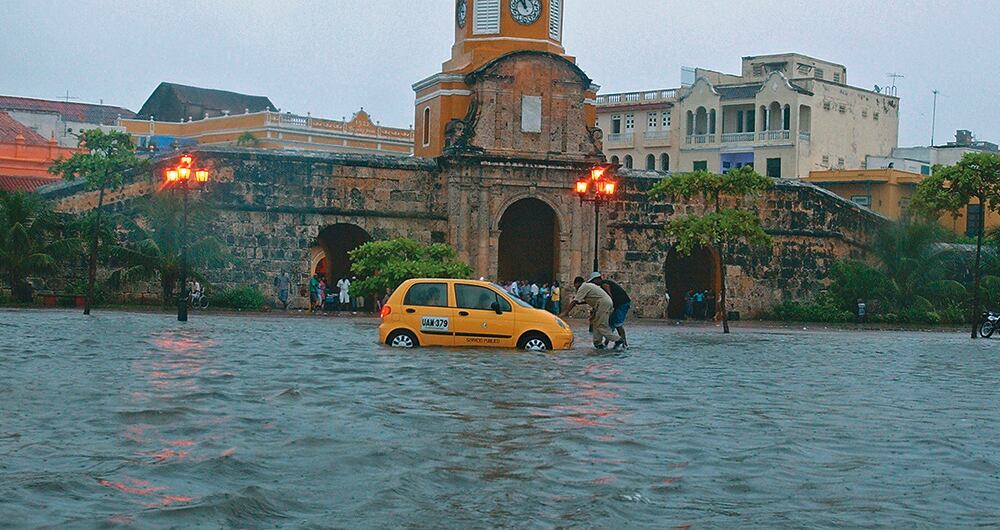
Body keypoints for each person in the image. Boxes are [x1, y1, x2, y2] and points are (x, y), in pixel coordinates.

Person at [564, 276, 623, 350]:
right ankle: (598, 343)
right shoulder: (588, 286)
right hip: (603, 304)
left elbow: (575, 301)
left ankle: (617, 339)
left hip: (604, 304)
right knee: (596, 323)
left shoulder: (583, 287)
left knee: (601, 325)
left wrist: (566, 312)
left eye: (575, 285)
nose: (575, 288)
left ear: (577, 283)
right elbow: (594, 299)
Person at [590, 272, 632, 348]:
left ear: (596, 279)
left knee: (617, 324)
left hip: (622, 304)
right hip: (619, 305)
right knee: (610, 324)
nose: (593, 284)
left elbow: (609, 296)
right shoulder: (604, 284)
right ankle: (608, 343)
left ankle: (624, 343)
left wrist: (608, 308)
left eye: (593, 282)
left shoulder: (604, 284)